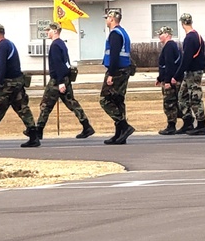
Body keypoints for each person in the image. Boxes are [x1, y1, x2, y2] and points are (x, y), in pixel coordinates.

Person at [34, 22, 94, 140]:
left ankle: (38, 130)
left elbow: (59, 64)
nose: (47, 32)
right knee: (71, 102)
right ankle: (86, 125)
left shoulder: (55, 45)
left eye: (49, 30)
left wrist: (60, 82)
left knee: (45, 105)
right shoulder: (61, 44)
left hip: (57, 80)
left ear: (55, 31)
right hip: (64, 78)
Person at [99, 9, 135, 145]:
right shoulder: (123, 32)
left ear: (112, 19)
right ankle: (120, 134)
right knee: (118, 100)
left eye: (107, 18)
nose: (106, 21)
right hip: (123, 70)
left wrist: (111, 74)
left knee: (105, 100)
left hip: (117, 71)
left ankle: (123, 126)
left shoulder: (115, 34)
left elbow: (114, 55)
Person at [171, 13, 205, 135]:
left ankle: (201, 124)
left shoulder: (190, 38)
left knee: (195, 98)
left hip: (193, 72)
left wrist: (176, 76)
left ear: (182, 24)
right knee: (182, 97)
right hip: (191, 72)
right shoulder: (197, 36)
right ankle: (188, 122)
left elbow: (186, 59)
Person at [155, 26, 182, 135]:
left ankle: (171, 126)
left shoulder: (169, 47)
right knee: (176, 102)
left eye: (160, 34)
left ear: (167, 35)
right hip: (170, 79)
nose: (159, 36)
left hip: (170, 82)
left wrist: (167, 81)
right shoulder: (171, 46)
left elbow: (169, 65)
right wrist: (159, 78)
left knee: (169, 103)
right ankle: (187, 121)